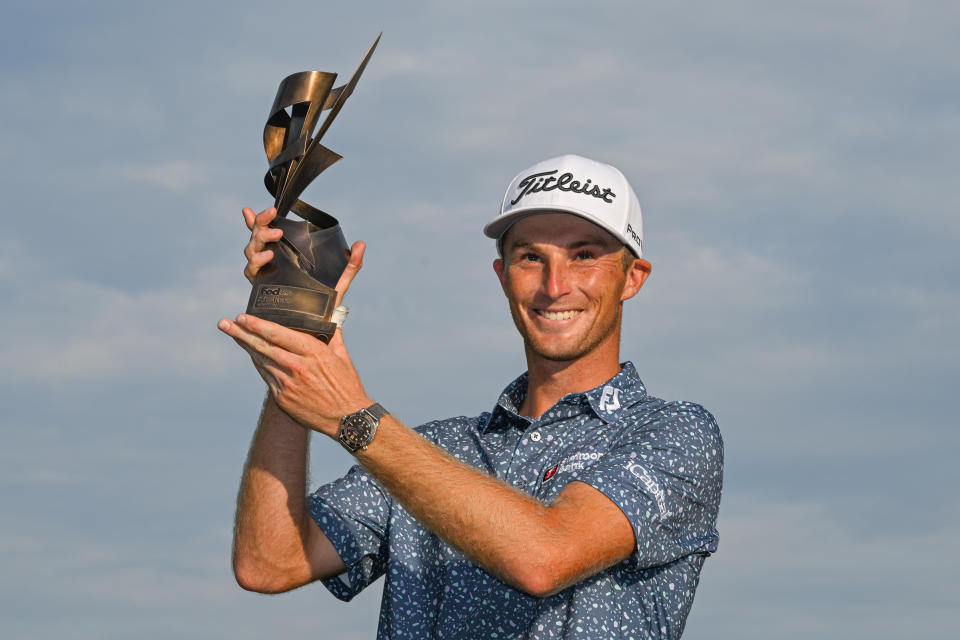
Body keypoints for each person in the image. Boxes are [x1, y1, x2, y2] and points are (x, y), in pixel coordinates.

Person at [218, 154, 723, 639]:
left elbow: (547, 556)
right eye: (530, 257)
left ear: (632, 278)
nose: (555, 285)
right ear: (503, 276)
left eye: (584, 255)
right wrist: (298, 341)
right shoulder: (434, 448)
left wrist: (355, 417)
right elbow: (270, 562)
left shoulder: (675, 433)